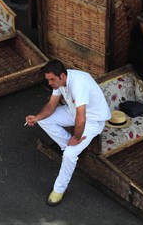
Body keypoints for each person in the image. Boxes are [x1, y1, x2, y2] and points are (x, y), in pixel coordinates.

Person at [25, 60, 111, 206]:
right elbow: (51, 105)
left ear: (62, 76)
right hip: (73, 112)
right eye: (48, 80)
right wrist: (37, 117)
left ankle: (59, 189)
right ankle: (69, 146)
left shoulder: (78, 84)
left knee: (70, 154)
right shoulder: (59, 82)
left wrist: (77, 138)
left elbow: (81, 118)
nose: (50, 83)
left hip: (93, 120)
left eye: (52, 79)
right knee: (45, 120)